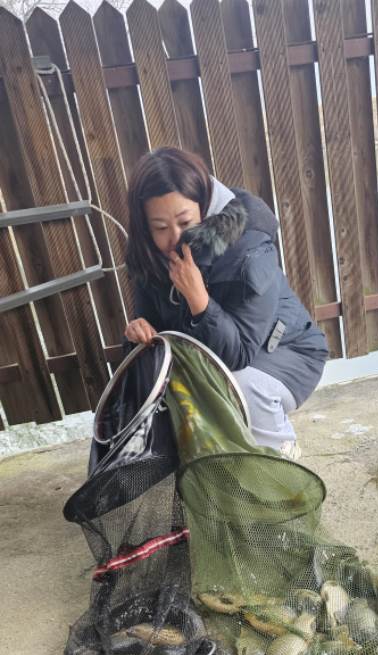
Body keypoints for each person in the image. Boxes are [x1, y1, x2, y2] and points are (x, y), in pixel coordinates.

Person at [123, 147, 328, 458]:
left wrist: (198, 300)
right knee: (179, 390)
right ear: (145, 227)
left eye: (185, 222)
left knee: (238, 384)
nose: (175, 238)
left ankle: (279, 452)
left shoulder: (248, 247)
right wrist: (140, 333)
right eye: (161, 228)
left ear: (204, 207)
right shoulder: (149, 258)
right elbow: (157, 337)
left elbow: (238, 354)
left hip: (288, 352)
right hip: (219, 358)